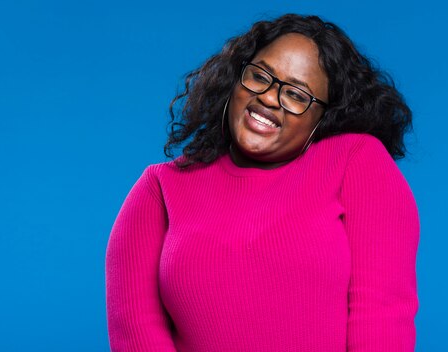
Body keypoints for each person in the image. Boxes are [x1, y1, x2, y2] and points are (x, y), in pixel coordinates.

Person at [105, 13, 419, 352]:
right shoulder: (160, 188)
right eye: (260, 76)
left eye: (297, 95)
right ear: (234, 80)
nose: (269, 98)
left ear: (323, 117)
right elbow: (135, 331)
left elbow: (381, 318)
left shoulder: (356, 161)